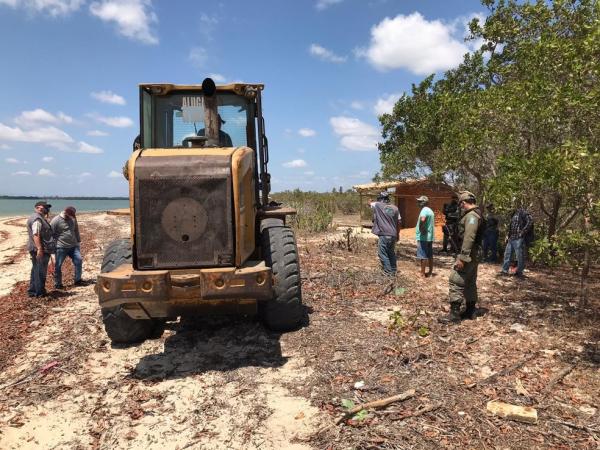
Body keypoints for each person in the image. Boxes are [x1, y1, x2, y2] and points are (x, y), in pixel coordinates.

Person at [439, 191, 483, 324]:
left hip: (469, 254)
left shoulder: (472, 216)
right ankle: (470, 311)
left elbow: (469, 237)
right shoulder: (476, 214)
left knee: (455, 280)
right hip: (474, 253)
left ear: (463, 203)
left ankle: (454, 315)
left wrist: (462, 258)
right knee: (470, 281)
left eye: (461, 204)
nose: (461, 207)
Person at [26, 201, 55, 297]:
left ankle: (33, 291)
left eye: (46, 208)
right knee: (40, 272)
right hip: (39, 249)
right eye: (43, 208)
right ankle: (39, 292)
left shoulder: (39, 218)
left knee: (36, 270)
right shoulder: (37, 219)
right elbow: (36, 234)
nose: (46, 209)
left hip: (39, 249)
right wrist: (39, 248)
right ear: (37, 208)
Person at [50, 206, 83, 288]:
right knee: (58, 265)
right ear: (65, 213)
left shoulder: (73, 218)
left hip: (73, 246)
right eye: (70, 215)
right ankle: (58, 284)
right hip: (61, 247)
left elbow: (76, 230)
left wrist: (78, 241)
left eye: (73, 216)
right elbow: (51, 234)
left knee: (79, 260)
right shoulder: (56, 220)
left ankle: (78, 280)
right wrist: (52, 248)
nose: (71, 217)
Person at [370, 191, 401, 276]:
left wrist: (370, 201)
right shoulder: (395, 208)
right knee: (391, 253)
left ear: (381, 199)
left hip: (384, 234)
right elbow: (399, 222)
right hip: (393, 235)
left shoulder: (378, 205)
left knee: (382, 253)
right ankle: (394, 271)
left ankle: (388, 273)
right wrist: (398, 234)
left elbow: (370, 203)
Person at [499, 205, 533, 278]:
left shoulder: (523, 213)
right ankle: (504, 271)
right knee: (507, 254)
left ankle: (519, 272)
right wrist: (508, 235)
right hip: (511, 238)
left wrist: (522, 232)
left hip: (518, 238)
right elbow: (511, 226)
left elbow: (530, 221)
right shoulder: (513, 214)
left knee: (519, 256)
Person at [415, 195, 434, 277]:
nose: (418, 203)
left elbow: (422, 219)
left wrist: (421, 228)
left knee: (423, 255)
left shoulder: (424, 210)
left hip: (423, 237)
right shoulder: (430, 210)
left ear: (423, 202)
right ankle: (430, 272)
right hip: (430, 237)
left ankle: (422, 273)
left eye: (419, 201)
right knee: (429, 255)